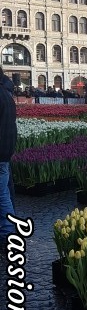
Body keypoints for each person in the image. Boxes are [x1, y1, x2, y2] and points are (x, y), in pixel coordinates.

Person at [0, 67, 17, 246]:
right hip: (5, 151)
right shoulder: (6, 95)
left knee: (2, 194)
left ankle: (7, 232)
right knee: (4, 192)